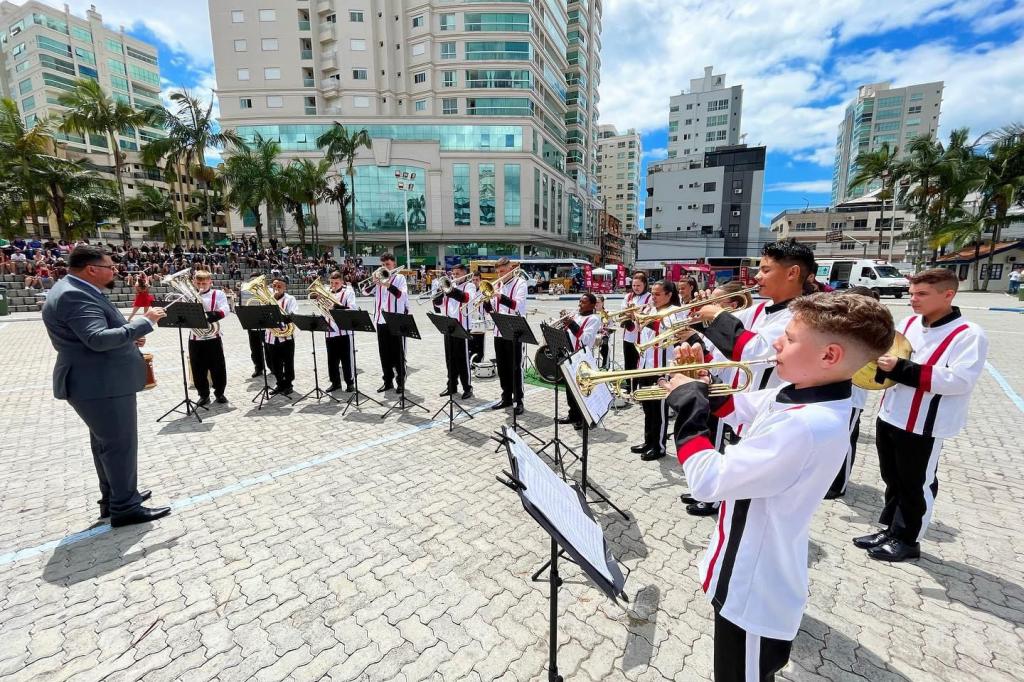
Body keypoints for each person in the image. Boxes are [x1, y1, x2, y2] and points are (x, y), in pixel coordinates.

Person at [662, 292, 895, 682]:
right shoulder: (799, 395)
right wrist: (703, 383)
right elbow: (737, 410)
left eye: (789, 338)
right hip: (740, 567)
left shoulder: (807, 425)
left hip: (754, 588)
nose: (775, 343)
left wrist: (688, 406)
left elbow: (706, 480)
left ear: (829, 356)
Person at [854, 268, 988, 562]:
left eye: (922, 294)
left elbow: (960, 380)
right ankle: (890, 530)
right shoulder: (910, 322)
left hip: (925, 422)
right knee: (892, 477)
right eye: (912, 293)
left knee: (916, 483)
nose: (913, 299)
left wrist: (900, 369)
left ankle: (908, 540)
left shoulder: (968, 334)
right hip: (891, 413)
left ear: (948, 294)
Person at [41, 245, 171, 527]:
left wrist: (127, 337)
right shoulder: (75, 294)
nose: (115, 271)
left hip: (96, 381)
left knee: (106, 445)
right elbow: (97, 339)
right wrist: (143, 324)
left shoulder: (72, 289)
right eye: (110, 267)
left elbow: (93, 335)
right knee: (119, 445)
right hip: (101, 382)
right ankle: (125, 508)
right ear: (91, 269)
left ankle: (115, 497)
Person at [695, 239, 816, 395]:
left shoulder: (802, 316)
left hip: (763, 409)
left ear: (792, 273)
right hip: (738, 404)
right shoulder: (761, 308)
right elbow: (720, 328)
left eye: (766, 270)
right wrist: (699, 311)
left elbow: (751, 350)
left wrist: (717, 314)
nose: (757, 276)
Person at [825, 285, 877, 500]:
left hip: (853, 394)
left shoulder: (872, 329)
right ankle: (829, 478)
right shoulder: (846, 325)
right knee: (832, 439)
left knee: (845, 439)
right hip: (834, 388)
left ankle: (839, 485)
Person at [632, 280, 684, 461]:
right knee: (648, 408)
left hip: (661, 369)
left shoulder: (674, 313)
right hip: (646, 366)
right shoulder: (651, 310)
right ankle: (649, 441)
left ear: (669, 295)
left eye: (657, 294)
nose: (652, 297)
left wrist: (644, 320)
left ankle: (659, 446)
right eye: (652, 294)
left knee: (659, 411)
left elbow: (666, 332)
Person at [484, 257, 528, 416]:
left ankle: (519, 400)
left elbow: (517, 305)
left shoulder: (520, 283)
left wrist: (499, 296)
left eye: (502, 271)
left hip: (515, 331)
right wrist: (486, 302)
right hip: (498, 330)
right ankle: (506, 397)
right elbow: (491, 311)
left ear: (510, 268)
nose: (499, 274)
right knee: (502, 367)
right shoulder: (498, 285)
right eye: (498, 271)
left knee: (515, 367)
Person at [365, 253, 409, 393]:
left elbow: (401, 295)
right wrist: (373, 281)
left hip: (395, 320)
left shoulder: (400, 278)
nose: (385, 267)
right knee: (384, 354)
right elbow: (365, 292)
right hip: (380, 320)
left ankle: (401, 382)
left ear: (394, 265)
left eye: (388, 265)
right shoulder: (378, 279)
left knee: (398, 354)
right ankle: (388, 381)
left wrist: (387, 284)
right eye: (383, 265)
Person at [433, 263, 476, 399]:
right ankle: (452, 386)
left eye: (457, 274)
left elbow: (466, 298)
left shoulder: (470, 286)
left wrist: (449, 290)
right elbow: (438, 304)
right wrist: (440, 292)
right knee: (450, 359)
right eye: (453, 274)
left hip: (462, 326)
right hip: (448, 325)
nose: (454, 276)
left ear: (464, 273)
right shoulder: (450, 287)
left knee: (462, 359)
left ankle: (467, 388)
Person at [558, 293, 601, 430]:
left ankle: (583, 418)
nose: (579, 304)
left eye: (583, 302)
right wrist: (565, 323)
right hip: (570, 354)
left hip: (582, 358)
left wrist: (571, 324)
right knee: (570, 389)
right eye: (580, 301)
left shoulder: (594, 319)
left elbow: (585, 339)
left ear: (592, 305)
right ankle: (573, 414)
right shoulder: (577, 315)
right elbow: (569, 334)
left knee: (580, 390)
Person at [189, 270, 230, 406]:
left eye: (204, 283)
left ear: (210, 282)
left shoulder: (218, 294)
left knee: (217, 366)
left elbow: (226, 308)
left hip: (213, 336)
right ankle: (203, 395)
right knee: (198, 368)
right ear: (194, 282)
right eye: (198, 283)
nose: (201, 286)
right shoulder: (189, 295)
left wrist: (212, 315)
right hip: (196, 338)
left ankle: (219, 393)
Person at [323, 270, 358, 393]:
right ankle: (335, 383)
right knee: (332, 360)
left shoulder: (348, 292)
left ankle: (350, 383)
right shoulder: (326, 292)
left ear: (342, 282)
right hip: (330, 330)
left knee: (346, 359)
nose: (333, 285)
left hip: (344, 332)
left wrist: (336, 307)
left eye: (336, 283)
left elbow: (352, 309)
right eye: (331, 282)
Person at [264, 276, 298, 395]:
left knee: (288, 362)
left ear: (285, 287)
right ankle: (279, 383)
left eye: (279, 286)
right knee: (275, 362)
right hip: (271, 336)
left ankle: (288, 384)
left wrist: (278, 315)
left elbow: (292, 315)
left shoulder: (290, 299)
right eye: (274, 286)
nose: (276, 288)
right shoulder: (267, 298)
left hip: (286, 336)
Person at [619, 272, 652, 374]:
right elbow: (623, 312)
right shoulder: (628, 296)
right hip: (628, 335)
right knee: (628, 363)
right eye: (634, 285)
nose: (636, 288)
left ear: (645, 285)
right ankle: (629, 386)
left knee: (639, 364)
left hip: (641, 336)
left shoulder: (649, 297)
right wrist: (629, 314)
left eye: (638, 285)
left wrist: (634, 314)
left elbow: (646, 315)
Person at [468, 271, 487, 363]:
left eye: (477, 280)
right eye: (473, 280)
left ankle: (479, 362)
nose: (475, 281)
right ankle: (470, 362)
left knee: (479, 343)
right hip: (470, 320)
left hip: (480, 321)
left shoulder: (484, 291)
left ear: (480, 280)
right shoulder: (468, 290)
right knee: (470, 343)